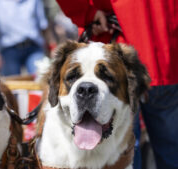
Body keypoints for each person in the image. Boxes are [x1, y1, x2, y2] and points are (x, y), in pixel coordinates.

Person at [56, 0, 178, 169]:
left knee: (121, 154)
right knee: (170, 150)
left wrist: (86, 13)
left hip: (116, 55)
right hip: (165, 51)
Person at [0, 0, 56, 76]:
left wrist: (52, 46)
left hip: (33, 47)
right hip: (9, 50)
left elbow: (43, 25)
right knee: (11, 83)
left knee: (42, 77)